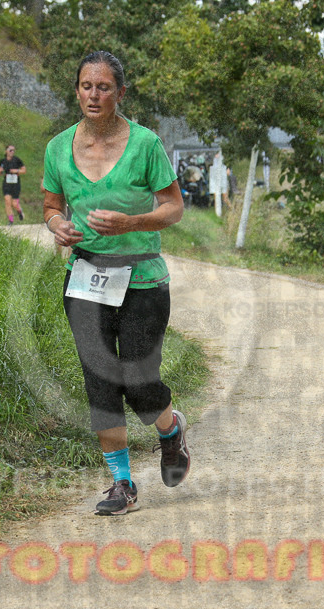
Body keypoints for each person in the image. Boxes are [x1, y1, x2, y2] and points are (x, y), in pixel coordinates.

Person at [42, 51, 190, 516]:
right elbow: (51, 206)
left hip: (142, 278)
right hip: (86, 277)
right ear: (77, 91)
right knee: (101, 382)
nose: (94, 95)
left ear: (120, 93)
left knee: (141, 384)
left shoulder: (145, 145)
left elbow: (173, 207)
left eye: (104, 87)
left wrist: (132, 222)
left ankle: (170, 431)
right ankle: (121, 484)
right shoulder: (57, 148)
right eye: (86, 86)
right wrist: (57, 226)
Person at [0, 144, 27, 225]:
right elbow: (0, 171)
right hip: (7, 183)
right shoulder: (3, 161)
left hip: (15, 184)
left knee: (14, 203)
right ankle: (10, 220)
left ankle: (19, 211)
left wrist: (16, 171)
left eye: (13, 150)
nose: (12, 152)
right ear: (6, 151)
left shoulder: (17, 160)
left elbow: (24, 170)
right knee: (7, 201)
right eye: (10, 150)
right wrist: (0, 171)